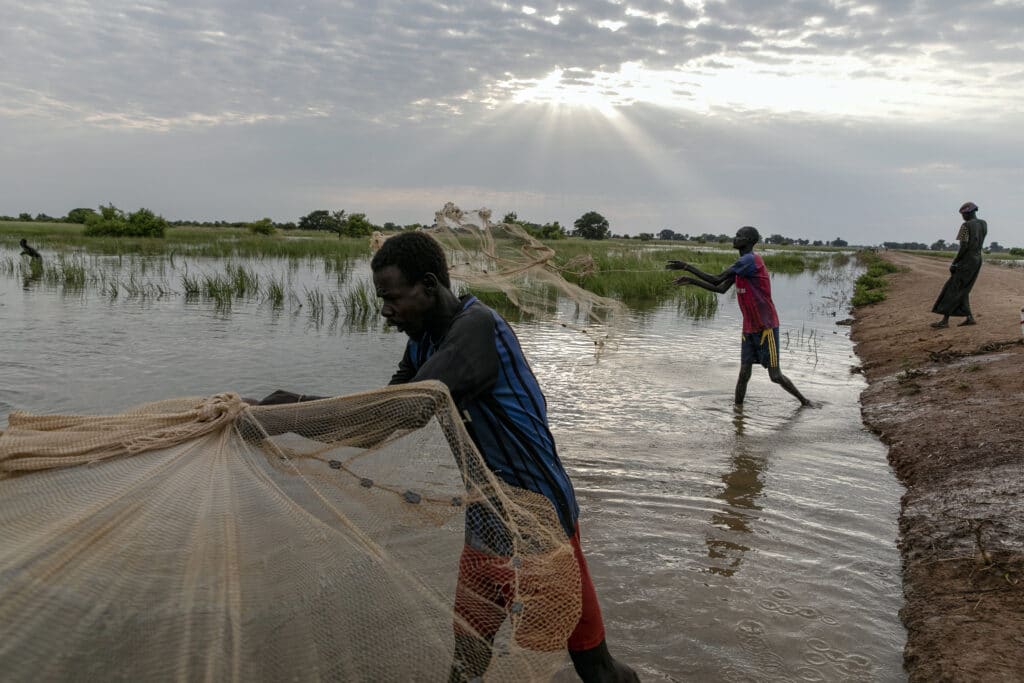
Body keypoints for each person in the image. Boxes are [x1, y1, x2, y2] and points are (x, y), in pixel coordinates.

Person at [370, 231, 638, 683]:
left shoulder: (479, 327)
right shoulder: (422, 344)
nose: (386, 310)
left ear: (430, 285)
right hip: (487, 520)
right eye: (382, 299)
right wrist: (271, 415)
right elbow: (380, 418)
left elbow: (410, 407)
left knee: (597, 669)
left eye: (394, 297)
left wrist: (285, 408)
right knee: (467, 661)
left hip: (541, 521)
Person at [666, 226, 812, 407]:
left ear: (750, 241)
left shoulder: (750, 261)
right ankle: (738, 415)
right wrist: (692, 281)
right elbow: (720, 289)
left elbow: (716, 279)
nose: (735, 239)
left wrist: (687, 267)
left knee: (775, 376)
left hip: (766, 327)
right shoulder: (742, 265)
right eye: (736, 235)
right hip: (749, 328)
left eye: (739, 236)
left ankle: (804, 402)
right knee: (744, 374)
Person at [931, 202, 987, 328]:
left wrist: (954, 262)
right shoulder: (984, 224)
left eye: (963, 214)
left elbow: (963, 246)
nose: (962, 217)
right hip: (977, 259)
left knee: (953, 288)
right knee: (964, 288)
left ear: (969, 213)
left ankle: (945, 321)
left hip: (966, 261)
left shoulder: (965, 226)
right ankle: (969, 317)